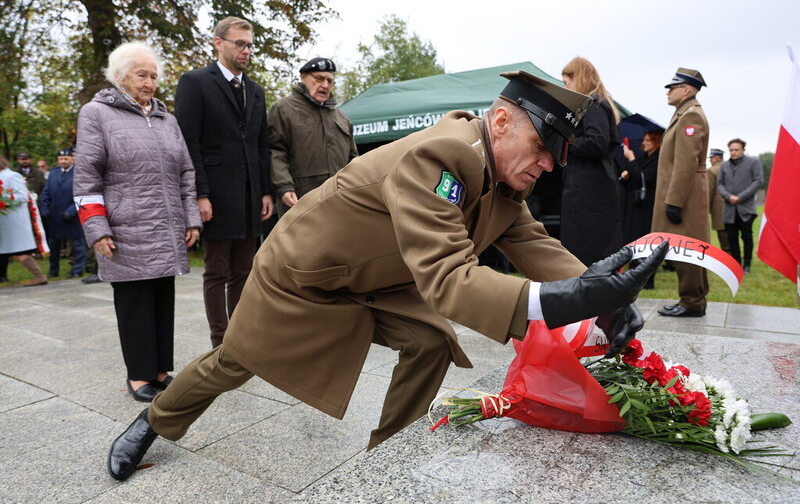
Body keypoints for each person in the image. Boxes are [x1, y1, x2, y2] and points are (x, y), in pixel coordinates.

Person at [107, 70, 669, 481]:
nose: (549, 164)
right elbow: (450, 281)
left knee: (430, 340)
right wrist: (574, 297)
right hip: (303, 274)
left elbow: (532, 242)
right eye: (544, 147)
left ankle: (390, 462)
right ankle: (154, 421)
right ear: (500, 121)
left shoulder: (498, 175)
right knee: (234, 362)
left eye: (557, 156)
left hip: (373, 277)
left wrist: (603, 299)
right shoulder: (439, 157)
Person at [73, 42, 202, 403]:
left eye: (154, 76)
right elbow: (86, 177)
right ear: (120, 77)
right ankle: (138, 375)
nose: (149, 83)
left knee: (162, 299)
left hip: (165, 227)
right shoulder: (96, 113)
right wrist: (96, 227)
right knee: (134, 302)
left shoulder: (167, 119)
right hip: (124, 228)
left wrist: (190, 218)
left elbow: (186, 172)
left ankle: (160, 370)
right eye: (141, 75)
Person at [174, 16, 274, 348]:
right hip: (214, 196)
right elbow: (190, 143)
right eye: (239, 43)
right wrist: (200, 194)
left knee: (244, 272)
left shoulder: (255, 90)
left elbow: (260, 145)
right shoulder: (195, 82)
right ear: (219, 43)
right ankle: (221, 342)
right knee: (216, 272)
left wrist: (264, 191)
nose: (246, 50)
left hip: (249, 197)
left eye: (249, 45)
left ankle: (241, 338)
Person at [269, 57, 359, 216]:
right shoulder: (283, 109)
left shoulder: (341, 117)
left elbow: (353, 158)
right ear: (303, 77)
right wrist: (284, 187)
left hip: (340, 202)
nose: (325, 85)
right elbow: (275, 151)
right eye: (319, 78)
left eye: (330, 81)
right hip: (300, 203)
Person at [654, 68, 710, 318]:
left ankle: (692, 301)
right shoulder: (684, 113)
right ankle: (692, 299)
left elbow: (686, 163)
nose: (668, 91)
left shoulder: (691, 116)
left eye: (672, 87)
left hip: (684, 195)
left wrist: (674, 201)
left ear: (687, 90)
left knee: (686, 249)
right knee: (684, 248)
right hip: (682, 192)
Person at [559, 57, 623, 266]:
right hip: (592, 186)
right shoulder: (596, 104)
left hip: (588, 189)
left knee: (585, 248)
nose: (564, 87)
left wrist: (566, 144)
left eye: (566, 82)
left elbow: (597, 142)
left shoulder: (593, 105)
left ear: (578, 78)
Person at [619, 131, 662, 289]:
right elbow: (633, 178)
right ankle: (634, 274)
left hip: (646, 205)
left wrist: (631, 160)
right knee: (633, 240)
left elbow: (645, 178)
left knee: (645, 241)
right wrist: (625, 177)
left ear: (656, 142)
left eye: (647, 140)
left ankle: (646, 280)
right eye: (643, 140)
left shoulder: (658, 159)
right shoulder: (643, 158)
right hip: (633, 204)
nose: (643, 143)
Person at [716, 138, 764, 274]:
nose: (733, 152)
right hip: (729, 209)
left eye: (736, 149)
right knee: (732, 237)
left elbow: (758, 181)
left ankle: (747, 264)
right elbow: (719, 184)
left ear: (743, 150)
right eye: (731, 150)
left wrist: (740, 197)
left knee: (747, 236)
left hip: (746, 208)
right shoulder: (724, 166)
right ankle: (736, 264)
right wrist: (728, 196)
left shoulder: (753, 162)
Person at [0, 155, 48, 286]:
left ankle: (39, 276)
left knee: (19, 251)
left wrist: (3, 199)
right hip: (4, 221)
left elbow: (22, 196)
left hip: (14, 220)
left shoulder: (12, 176)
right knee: (8, 249)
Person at [39, 147, 87, 279]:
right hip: (55, 215)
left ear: (72, 159)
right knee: (54, 245)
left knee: (78, 244)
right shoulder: (53, 173)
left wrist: (71, 211)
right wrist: (45, 209)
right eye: (60, 158)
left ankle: (77, 270)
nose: (63, 161)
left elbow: (82, 194)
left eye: (66, 158)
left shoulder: (79, 173)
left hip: (72, 215)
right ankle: (53, 270)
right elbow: (46, 193)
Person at [707, 148, 730, 253]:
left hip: (719, 205)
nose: (710, 160)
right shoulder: (731, 167)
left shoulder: (712, 170)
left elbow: (708, 190)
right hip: (733, 204)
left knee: (722, 231)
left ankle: (727, 253)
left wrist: (705, 208)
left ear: (716, 158)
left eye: (711, 158)